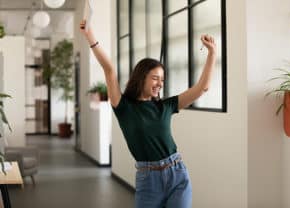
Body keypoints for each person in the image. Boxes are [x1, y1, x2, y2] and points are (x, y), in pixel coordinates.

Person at [80, 20, 216, 208]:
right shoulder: (123, 106)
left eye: (162, 79)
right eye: (155, 78)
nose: (160, 83)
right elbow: (109, 69)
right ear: (141, 77)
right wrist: (90, 36)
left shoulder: (165, 106)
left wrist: (212, 53)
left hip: (177, 175)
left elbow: (203, 88)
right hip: (148, 179)